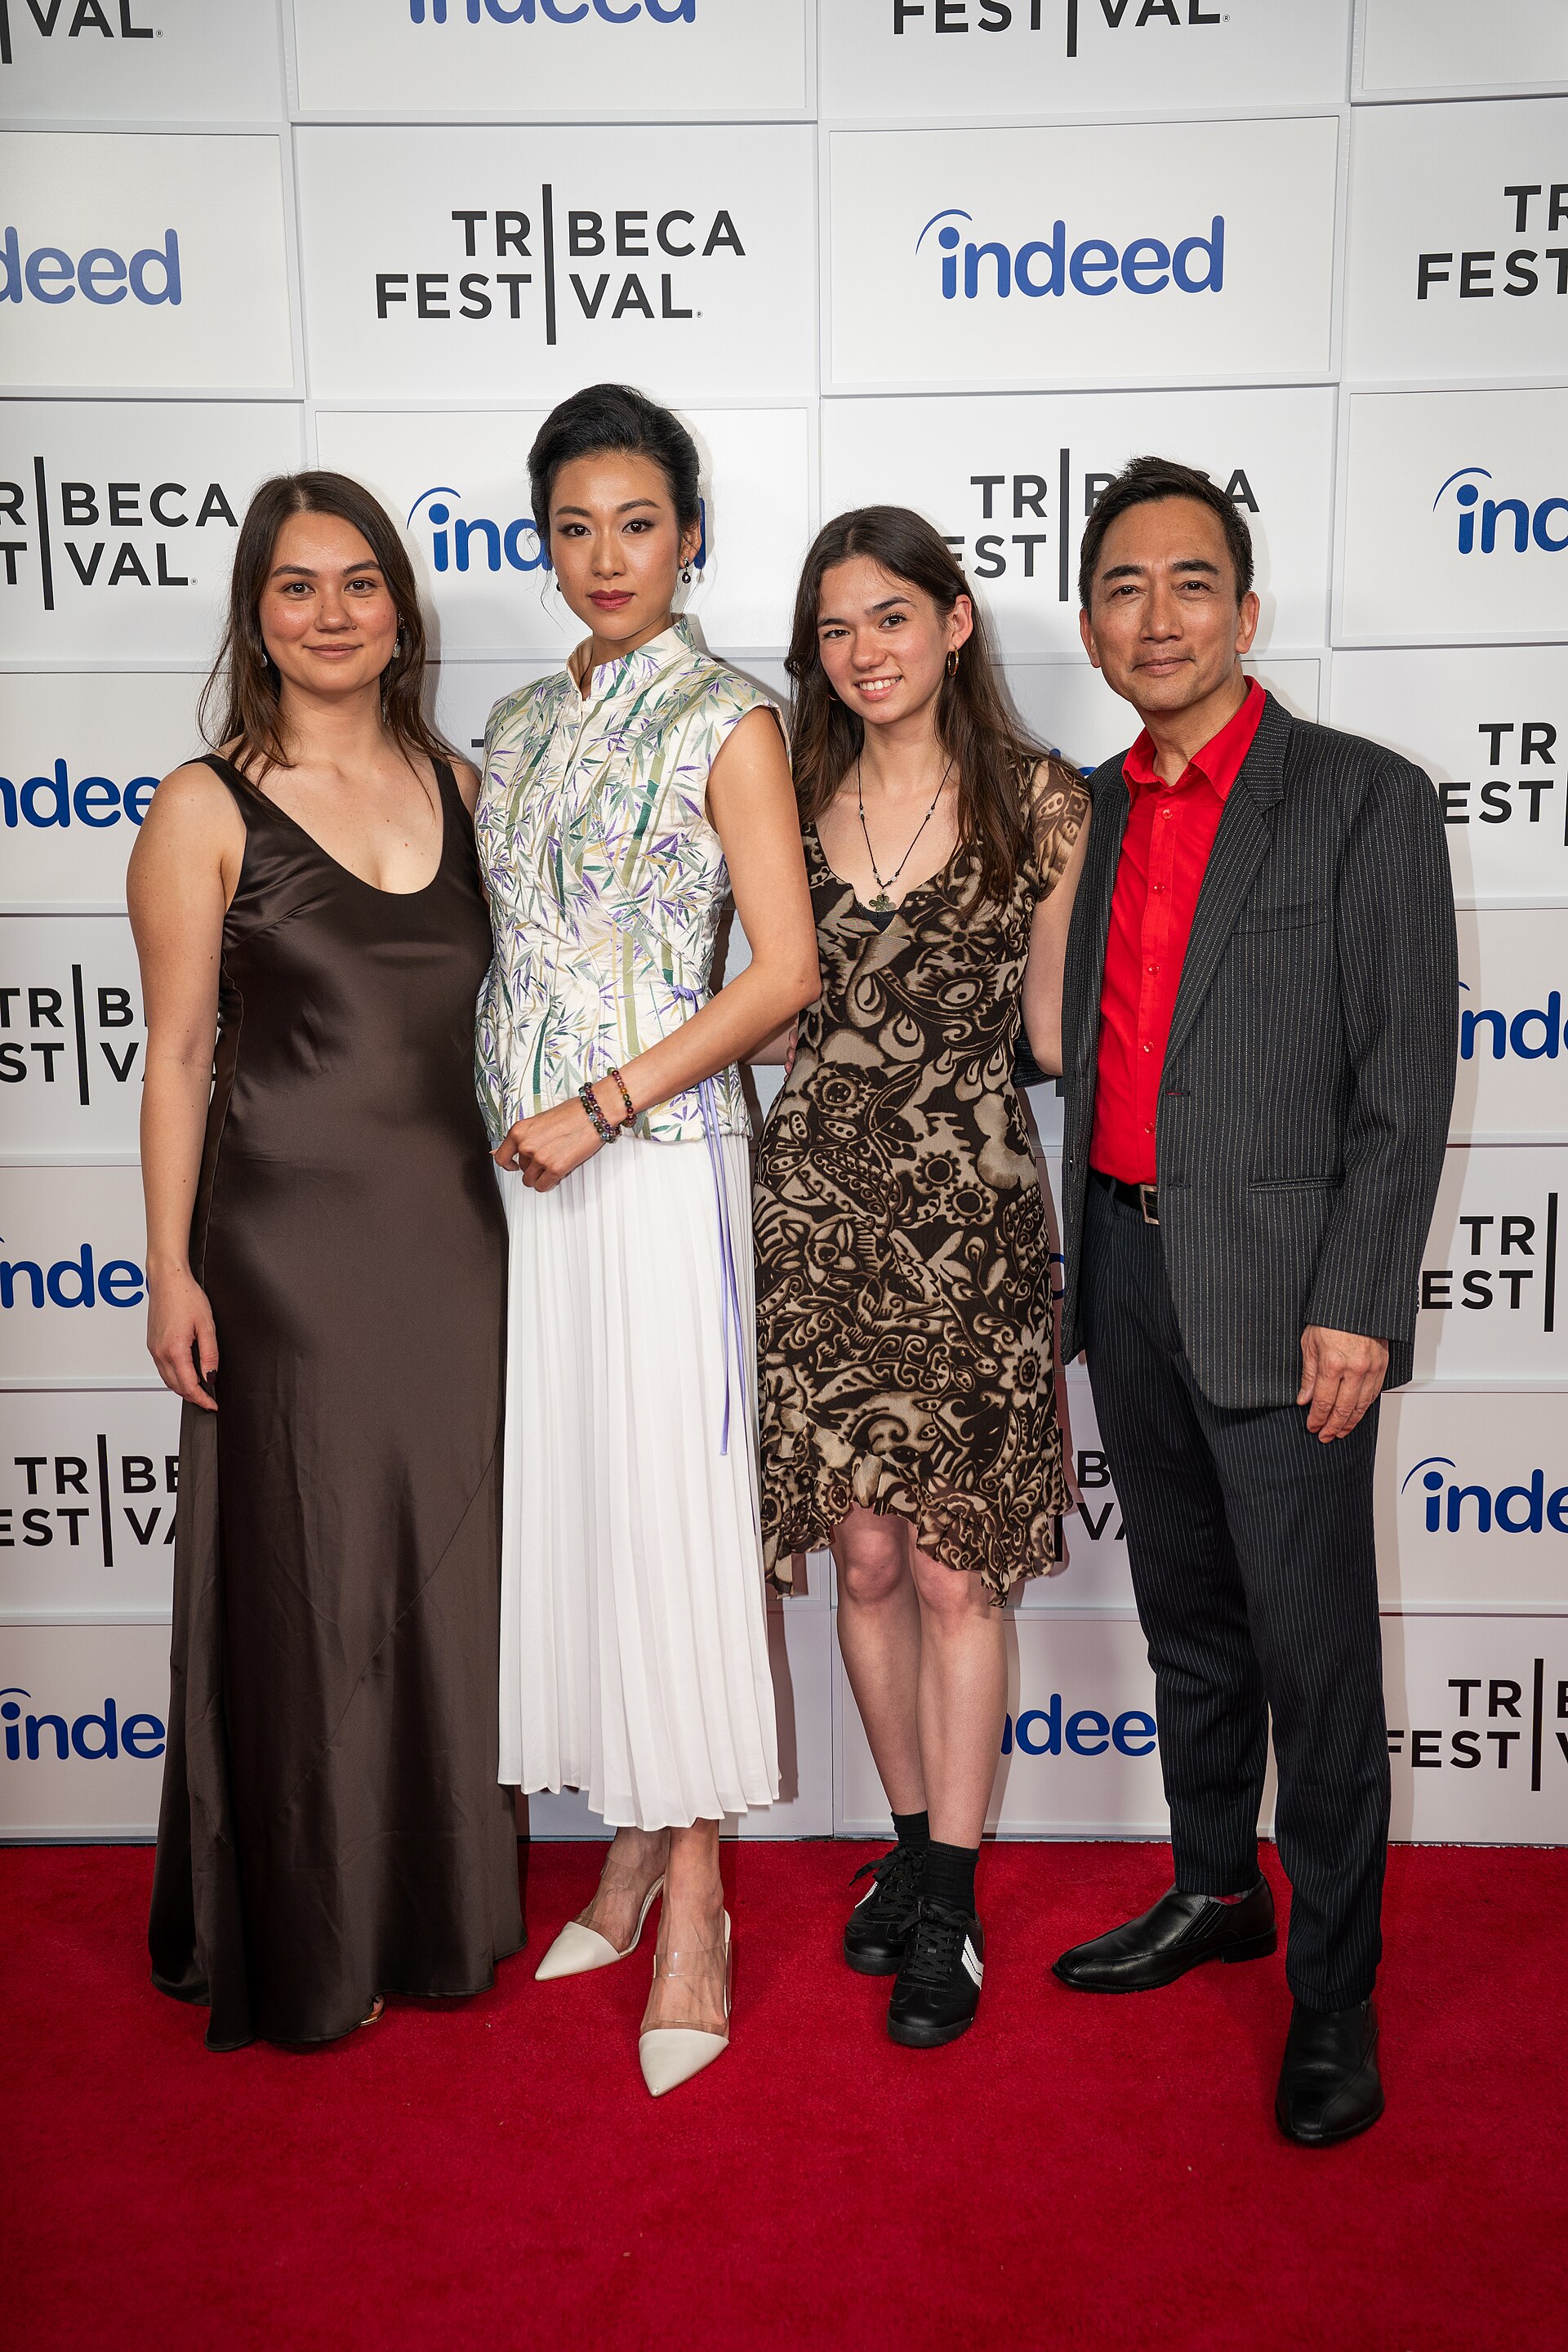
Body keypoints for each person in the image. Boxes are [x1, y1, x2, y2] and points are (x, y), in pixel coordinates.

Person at [1052, 456, 1458, 2144]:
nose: (1158, 617)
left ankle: (1335, 2002)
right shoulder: (1088, 807)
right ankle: (1218, 1887)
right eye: (1125, 589)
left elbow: (1402, 1078)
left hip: (1291, 1300)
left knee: (1314, 1661)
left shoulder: (1360, 798)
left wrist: (1359, 1299)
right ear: (1090, 624)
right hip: (1128, 1272)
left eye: (1190, 583)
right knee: (1191, 1630)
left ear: (1247, 609)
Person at [132, 472, 523, 2051]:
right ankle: (309, 1927)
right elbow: (173, 1059)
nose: (333, 613)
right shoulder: (204, 805)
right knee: (305, 1588)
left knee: (438, 1583)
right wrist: (168, 1269)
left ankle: (435, 1914)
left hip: (456, 1241)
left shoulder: (470, 785)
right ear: (257, 615)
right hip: (283, 1250)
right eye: (298, 588)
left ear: (401, 608)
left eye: (360, 583)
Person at [478, 384, 819, 2097]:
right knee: (594, 1516)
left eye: (637, 522)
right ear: (541, 546)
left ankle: (696, 1895)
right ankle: (627, 1834)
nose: (605, 556)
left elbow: (781, 976)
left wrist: (603, 1105)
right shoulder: (524, 722)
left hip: (658, 1155)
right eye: (571, 527)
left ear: (691, 534)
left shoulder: (728, 720)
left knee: (680, 1527)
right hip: (533, 1189)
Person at [754, 507, 1089, 2049]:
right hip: (818, 1221)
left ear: (956, 622)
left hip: (969, 1223)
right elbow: (754, 1019)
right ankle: (907, 1842)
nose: (863, 652)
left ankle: (949, 1900)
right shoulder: (788, 789)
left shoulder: (1043, 806)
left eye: (890, 617)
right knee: (869, 1563)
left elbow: (1046, 1041)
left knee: (959, 1570)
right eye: (835, 629)